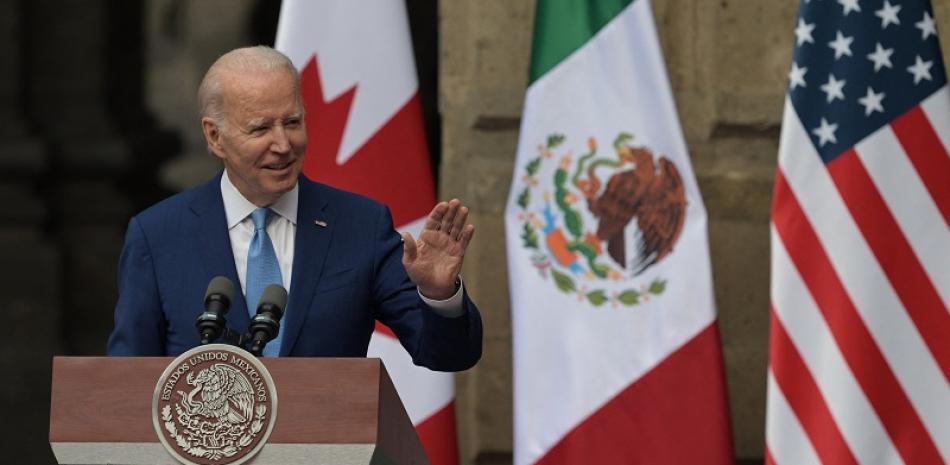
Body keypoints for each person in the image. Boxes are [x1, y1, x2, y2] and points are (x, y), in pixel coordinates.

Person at [107, 46, 482, 372]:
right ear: (215, 136)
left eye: (292, 122)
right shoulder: (157, 236)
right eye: (260, 129)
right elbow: (126, 381)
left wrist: (437, 295)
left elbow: (448, 355)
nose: (283, 144)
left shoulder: (360, 225)